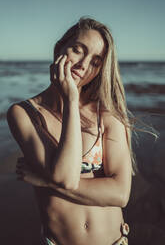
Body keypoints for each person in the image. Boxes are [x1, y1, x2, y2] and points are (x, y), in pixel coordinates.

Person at [7, 17, 132, 245]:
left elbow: (120, 194)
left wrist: (47, 181)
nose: (83, 65)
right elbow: (65, 177)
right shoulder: (24, 113)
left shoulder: (106, 113)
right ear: (59, 48)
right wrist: (71, 100)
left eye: (95, 61)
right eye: (77, 50)